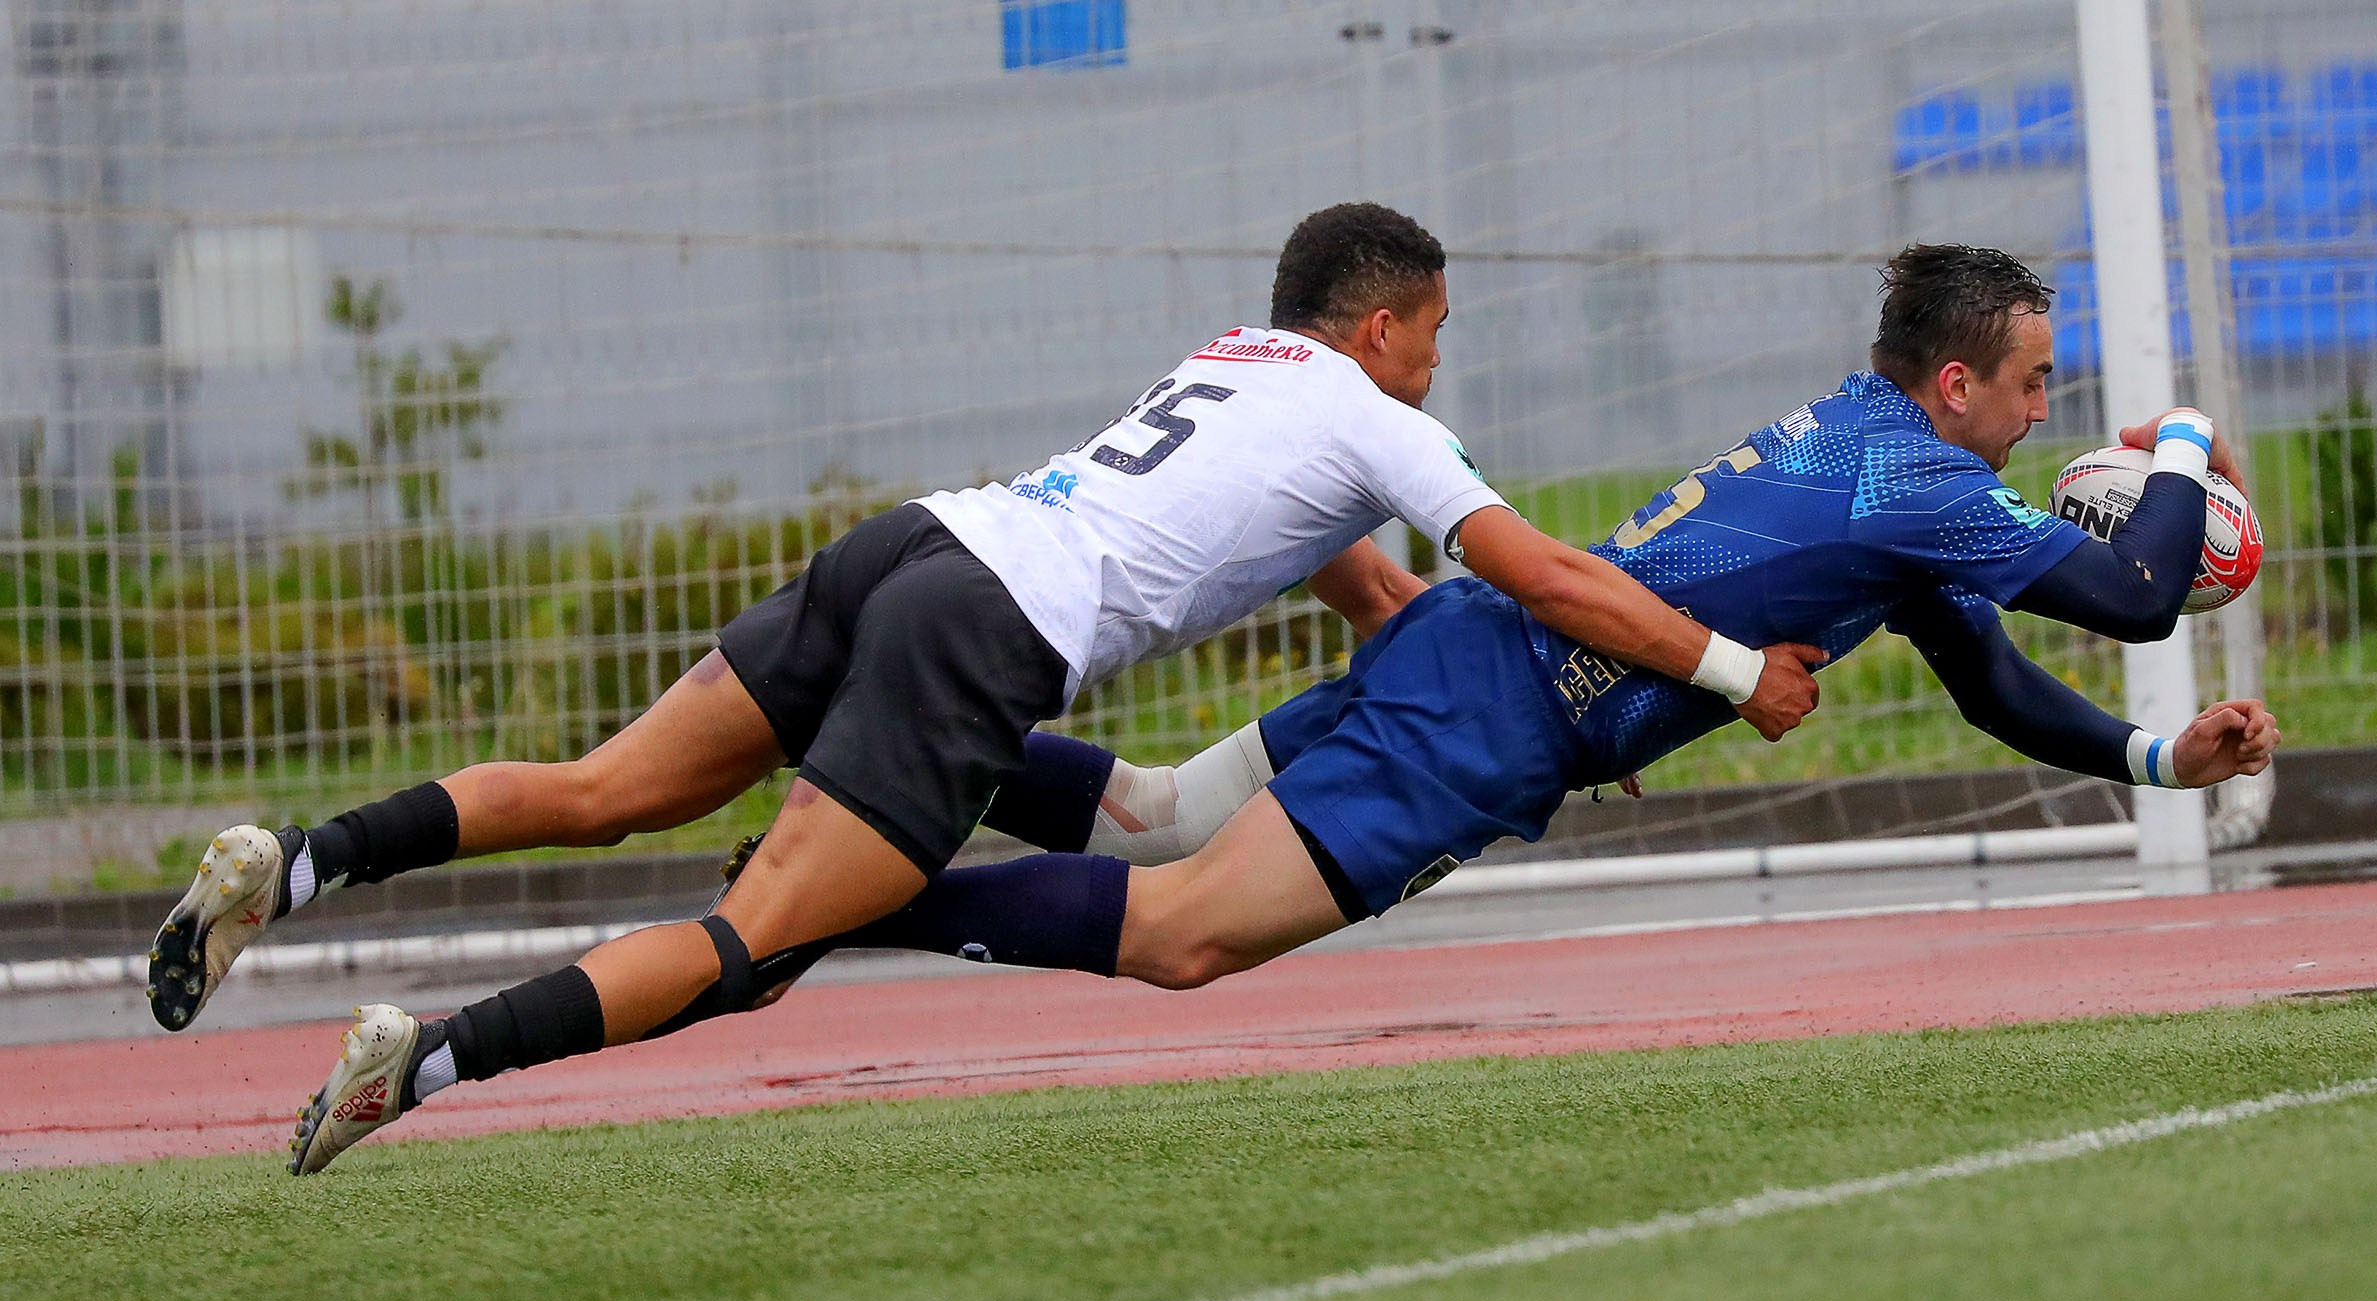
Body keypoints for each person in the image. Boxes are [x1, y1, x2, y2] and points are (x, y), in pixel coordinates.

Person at [164, 201, 1823, 1174]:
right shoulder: (1384, 420)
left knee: (611, 786)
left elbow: (1357, 579)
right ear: (1382, 325)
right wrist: (1734, 672)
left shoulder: (1236, 369)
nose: (1440, 363)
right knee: (756, 949)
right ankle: (426, 1060)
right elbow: (1537, 572)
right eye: (1435, 332)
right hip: (983, 637)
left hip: (913, 546)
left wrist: (1460, 666)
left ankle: (302, 858)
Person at [680, 243, 2281, 1004]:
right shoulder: (1928, 484)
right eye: (2033, 379)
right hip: (1494, 719)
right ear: (1955, 386)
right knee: (1180, 938)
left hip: (1462, 650)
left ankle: (841, 748)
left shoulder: (1880, 448)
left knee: (1162, 821)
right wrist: (2183, 447)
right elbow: (2143, 584)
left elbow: (1990, 678)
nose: (2049, 399)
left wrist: (2157, 756)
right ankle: (832, 905)